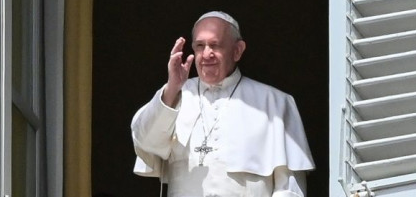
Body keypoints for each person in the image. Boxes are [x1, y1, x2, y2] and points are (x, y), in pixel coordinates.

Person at [131, 11, 315, 197]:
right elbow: (145, 142)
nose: (206, 54)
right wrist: (172, 88)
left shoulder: (275, 104)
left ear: (237, 51)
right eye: (200, 46)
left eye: (215, 45)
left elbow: (290, 189)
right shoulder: (173, 95)